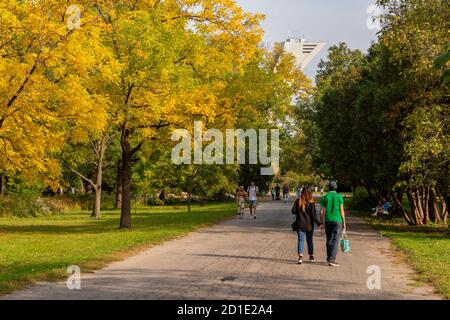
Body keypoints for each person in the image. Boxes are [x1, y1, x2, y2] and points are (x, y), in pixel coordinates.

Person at [319, 181, 347, 267]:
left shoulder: (324, 197)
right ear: (336, 188)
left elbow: (321, 211)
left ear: (329, 187)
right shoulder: (339, 197)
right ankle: (332, 259)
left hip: (328, 220)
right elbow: (342, 211)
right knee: (335, 240)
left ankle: (328, 258)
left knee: (329, 239)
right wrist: (344, 222)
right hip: (337, 220)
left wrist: (321, 222)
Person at [292, 188, 322, 264]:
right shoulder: (311, 202)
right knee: (309, 240)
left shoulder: (298, 201)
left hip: (300, 224)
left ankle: (300, 257)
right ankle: (311, 256)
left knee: (300, 240)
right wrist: (319, 223)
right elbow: (314, 215)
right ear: (310, 194)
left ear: (302, 193)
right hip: (309, 225)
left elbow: (293, 211)